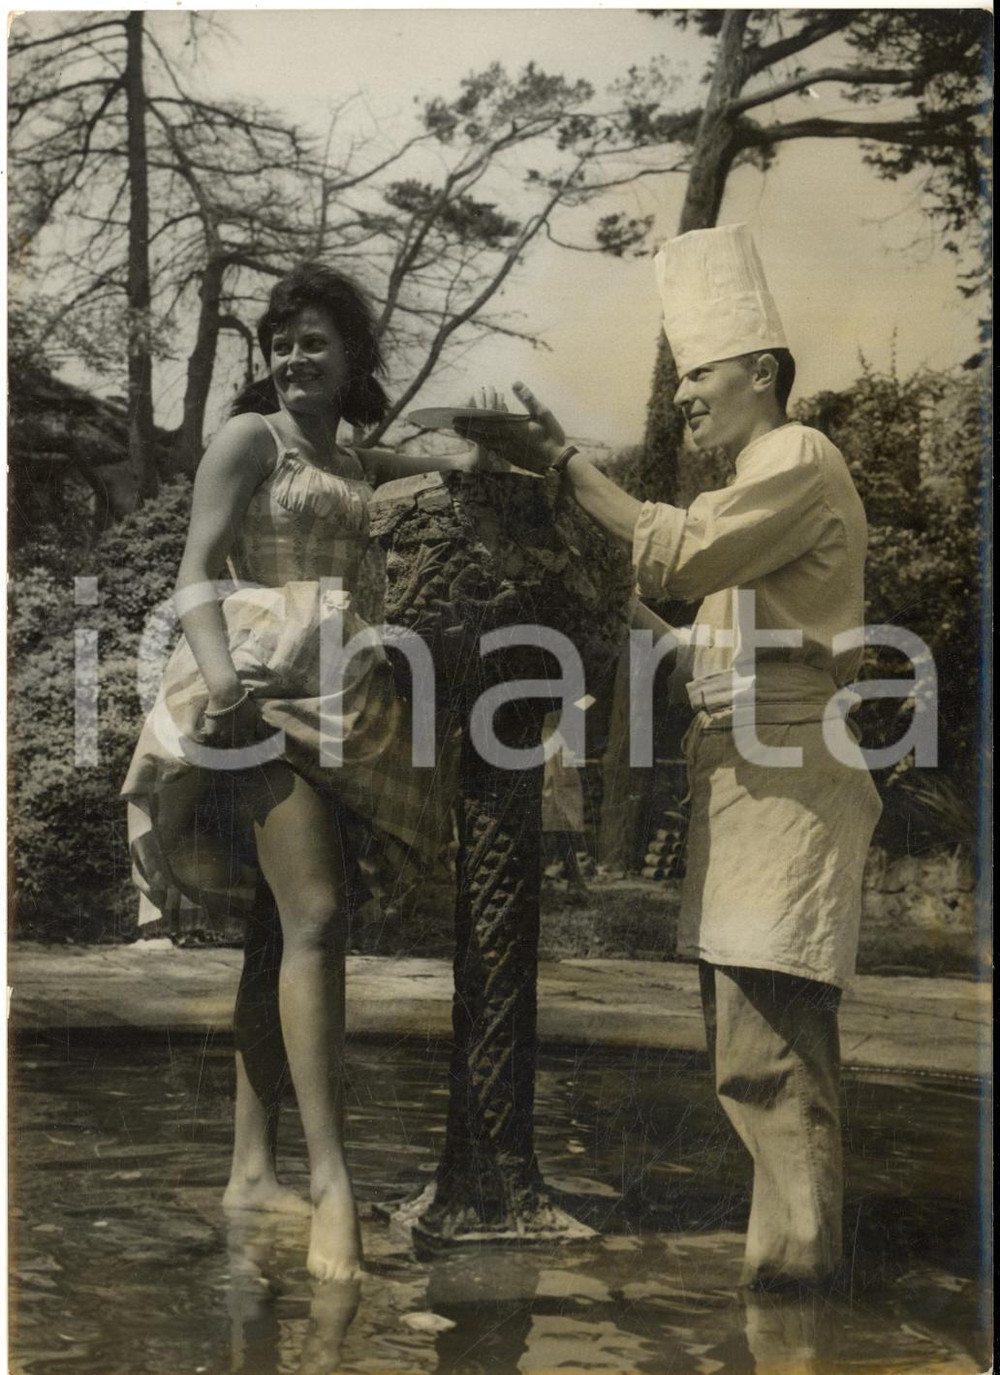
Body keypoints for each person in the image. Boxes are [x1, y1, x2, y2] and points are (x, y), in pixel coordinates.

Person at [459, 223, 883, 1290]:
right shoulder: (761, 499)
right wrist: (588, 573)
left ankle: (797, 1305)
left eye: (698, 372)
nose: (683, 394)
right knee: (753, 1058)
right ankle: (787, 1284)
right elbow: (697, 636)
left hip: (785, 778)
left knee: (768, 1061)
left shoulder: (792, 456)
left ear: (763, 372)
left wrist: (564, 460)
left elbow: (681, 544)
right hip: (750, 781)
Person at [122, 263, 493, 1281]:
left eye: (313, 340)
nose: (291, 357)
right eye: (279, 342)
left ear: (354, 357)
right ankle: (332, 1182)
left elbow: (434, 464)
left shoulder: (356, 458)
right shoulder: (252, 439)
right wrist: (219, 685)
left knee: (277, 934)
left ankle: (251, 1171)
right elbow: (196, 569)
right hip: (258, 693)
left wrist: (492, 451)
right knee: (318, 914)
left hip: (343, 699)